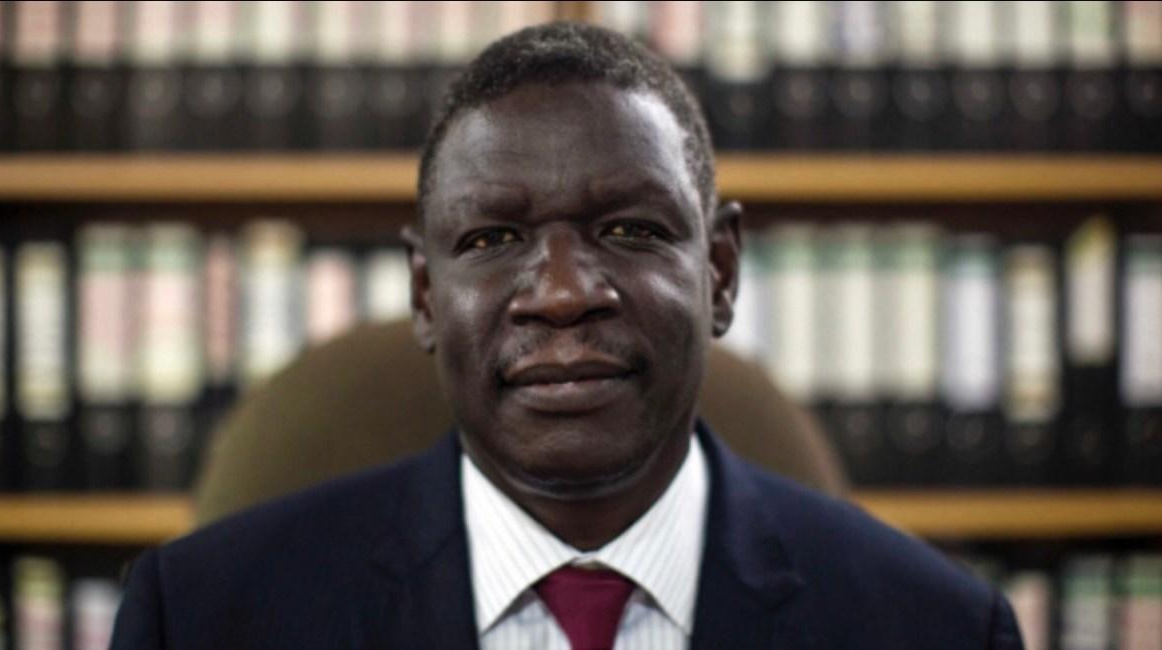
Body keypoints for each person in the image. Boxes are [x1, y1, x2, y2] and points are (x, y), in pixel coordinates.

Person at [110, 23, 1023, 650]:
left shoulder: (935, 628)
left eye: (628, 229)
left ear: (719, 272)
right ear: (425, 294)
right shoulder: (201, 619)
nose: (559, 294)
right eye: (491, 240)